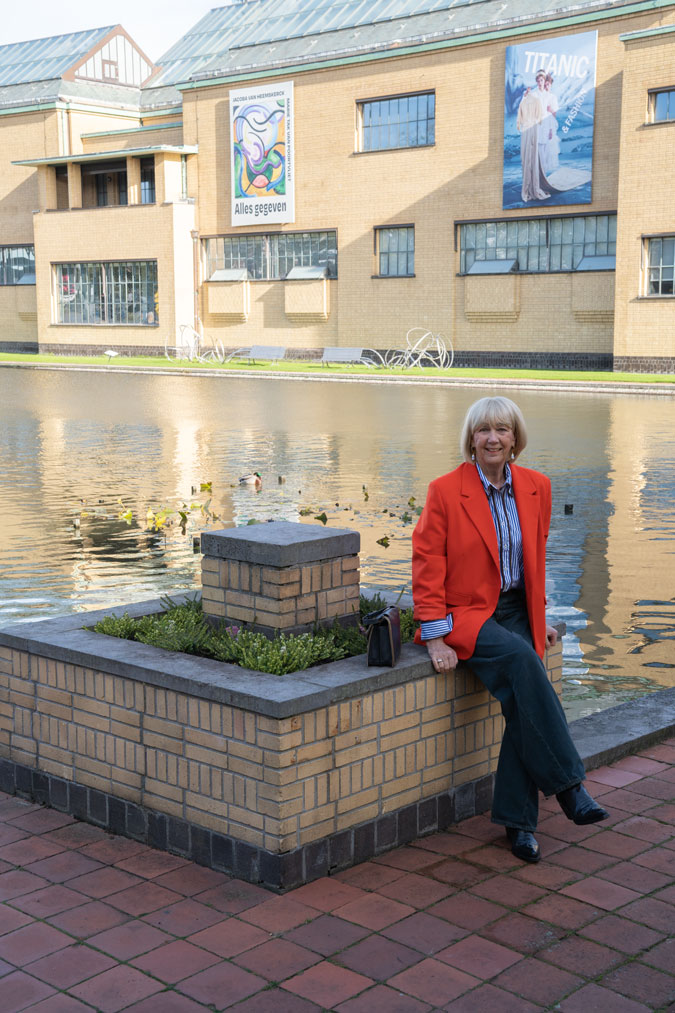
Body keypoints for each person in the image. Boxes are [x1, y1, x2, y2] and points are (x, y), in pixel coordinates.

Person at [412, 396, 608, 863]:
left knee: (525, 701)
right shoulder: (445, 490)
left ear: (515, 438)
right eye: (483, 430)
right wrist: (436, 636)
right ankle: (569, 789)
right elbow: (427, 564)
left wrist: (539, 617)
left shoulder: (537, 486)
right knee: (525, 665)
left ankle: (519, 826)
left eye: (502, 429)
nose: (493, 438)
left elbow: (531, 561)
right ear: (471, 439)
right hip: (468, 612)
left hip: (517, 609)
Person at [516, 70, 551, 202]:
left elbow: (544, 113)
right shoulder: (532, 97)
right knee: (531, 156)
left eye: (542, 80)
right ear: (537, 82)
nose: (540, 82)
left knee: (539, 156)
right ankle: (532, 185)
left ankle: (537, 182)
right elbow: (537, 115)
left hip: (534, 127)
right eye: (538, 80)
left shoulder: (543, 96)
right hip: (532, 127)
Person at [539, 74, 560, 174]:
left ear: (551, 85)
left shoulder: (552, 97)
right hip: (541, 124)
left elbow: (554, 113)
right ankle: (541, 171)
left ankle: (548, 171)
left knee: (549, 146)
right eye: (545, 84)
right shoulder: (541, 96)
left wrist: (550, 109)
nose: (547, 87)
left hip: (550, 122)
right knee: (541, 148)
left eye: (548, 85)